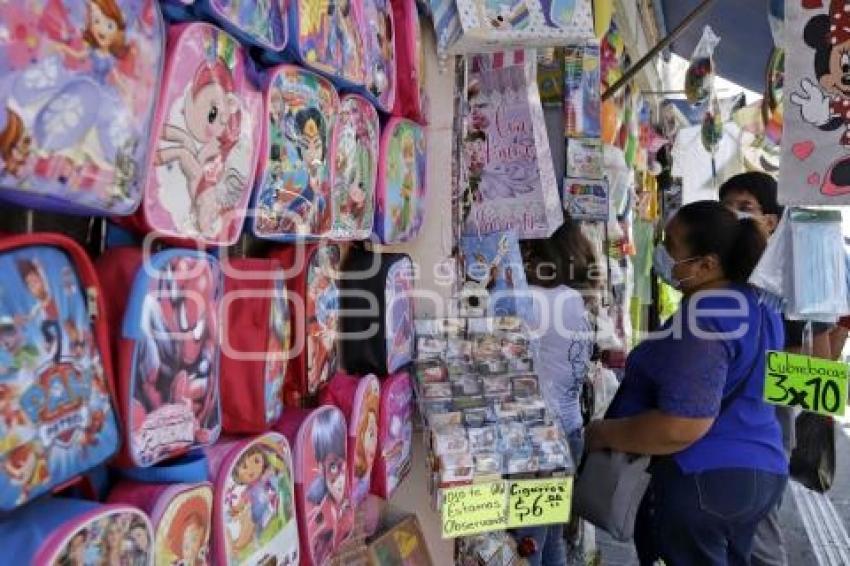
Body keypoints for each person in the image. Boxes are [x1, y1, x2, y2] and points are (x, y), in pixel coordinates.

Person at [586, 201, 788, 566]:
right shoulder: (759, 305)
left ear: (707, 264)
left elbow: (681, 426)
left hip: (704, 480)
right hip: (761, 474)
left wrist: (602, 434)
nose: (661, 251)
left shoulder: (706, 320)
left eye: (671, 244)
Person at [720, 172, 833, 566]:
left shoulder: (794, 281)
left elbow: (818, 367)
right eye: (728, 207)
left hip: (764, 428)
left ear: (772, 219)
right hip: (714, 428)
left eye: (745, 208)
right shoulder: (721, 271)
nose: (734, 215)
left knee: (758, 528)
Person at [513, 218, 598, 566]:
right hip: (569, 433)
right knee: (547, 540)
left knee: (528, 543)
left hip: (538, 441)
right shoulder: (575, 300)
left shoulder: (533, 300)